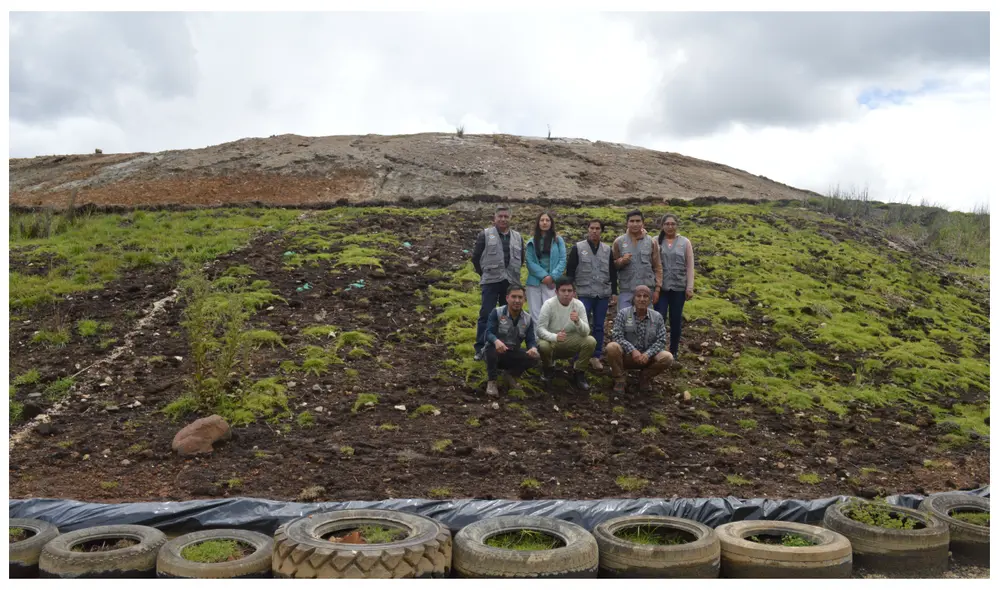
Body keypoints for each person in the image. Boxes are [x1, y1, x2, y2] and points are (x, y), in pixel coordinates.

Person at [471, 204, 524, 361]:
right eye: (500, 216)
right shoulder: (485, 235)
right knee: (486, 314)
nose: (503, 219)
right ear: (494, 218)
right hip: (491, 282)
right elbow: (476, 258)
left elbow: (521, 260)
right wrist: (485, 274)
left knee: (508, 315)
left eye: (506, 216)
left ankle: (506, 346)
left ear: (510, 218)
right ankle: (481, 348)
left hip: (510, 283)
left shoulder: (518, 237)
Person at [566, 219, 618, 371]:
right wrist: (571, 291)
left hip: (602, 293)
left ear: (602, 231)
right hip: (583, 292)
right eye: (592, 228)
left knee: (599, 326)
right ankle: (578, 356)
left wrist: (614, 291)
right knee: (580, 325)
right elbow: (570, 271)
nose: (594, 231)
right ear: (588, 229)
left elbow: (612, 272)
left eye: (597, 228)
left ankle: (596, 356)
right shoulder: (578, 247)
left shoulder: (607, 249)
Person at [605, 285, 673, 395]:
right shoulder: (623, 314)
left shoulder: (657, 317)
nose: (642, 299)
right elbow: (617, 336)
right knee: (612, 347)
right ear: (634, 298)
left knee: (667, 357)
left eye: (645, 296)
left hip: (648, 358)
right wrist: (632, 350)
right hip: (627, 356)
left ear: (650, 299)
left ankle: (645, 377)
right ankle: (620, 380)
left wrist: (647, 354)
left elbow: (661, 340)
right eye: (639, 296)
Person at [534, 278, 596, 390]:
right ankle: (548, 370)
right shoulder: (548, 304)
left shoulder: (579, 305)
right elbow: (540, 329)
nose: (566, 294)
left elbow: (586, 332)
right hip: (552, 341)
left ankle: (579, 373)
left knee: (590, 341)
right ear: (556, 292)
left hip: (570, 340)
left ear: (574, 292)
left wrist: (578, 321)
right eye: (563, 290)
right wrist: (555, 337)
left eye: (569, 290)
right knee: (543, 345)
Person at [483, 284, 540, 397]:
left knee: (536, 356)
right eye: (514, 297)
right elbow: (488, 333)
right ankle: (492, 381)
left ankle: (511, 375)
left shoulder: (528, 319)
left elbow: (530, 340)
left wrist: (533, 348)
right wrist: (496, 341)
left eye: (520, 297)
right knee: (491, 350)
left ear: (524, 299)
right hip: (496, 352)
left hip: (512, 352)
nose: (517, 300)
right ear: (507, 298)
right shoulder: (497, 312)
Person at [654, 213, 695, 359]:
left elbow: (690, 266)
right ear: (662, 226)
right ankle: (658, 349)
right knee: (659, 318)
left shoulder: (685, 242)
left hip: (679, 288)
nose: (670, 227)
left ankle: (674, 350)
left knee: (676, 319)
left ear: (677, 225)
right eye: (667, 224)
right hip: (661, 288)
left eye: (672, 224)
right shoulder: (655, 241)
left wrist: (689, 287)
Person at [612, 209, 663, 312]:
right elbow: (612, 266)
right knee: (625, 321)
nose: (635, 224)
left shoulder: (651, 242)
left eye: (638, 221)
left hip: (646, 291)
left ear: (643, 223)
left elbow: (657, 267)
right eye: (632, 221)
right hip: (626, 290)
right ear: (627, 223)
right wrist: (621, 261)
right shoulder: (619, 242)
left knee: (646, 323)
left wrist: (657, 289)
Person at [524, 211, 566, 324]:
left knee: (550, 313)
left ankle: (550, 340)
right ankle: (537, 341)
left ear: (551, 223)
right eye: (542, 220)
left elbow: (562, 260)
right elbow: (530, 262)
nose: (544, 222)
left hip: (551, 283)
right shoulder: (531, 242)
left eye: (547, 220)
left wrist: (552, 277)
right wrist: (543, 276)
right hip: (534, 282)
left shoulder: (558, 241)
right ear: (538, 223)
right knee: (535, 314)